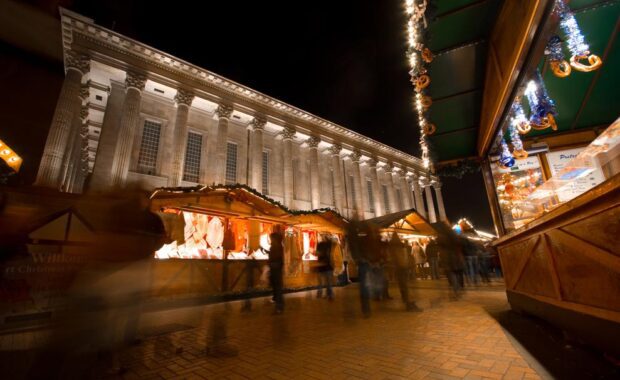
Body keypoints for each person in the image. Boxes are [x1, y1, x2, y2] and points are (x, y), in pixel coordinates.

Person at [389, 232, 422, 312]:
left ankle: (407, 301)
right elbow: (406, 256)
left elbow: (392, 258)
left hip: (398, 268)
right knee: (407, 285)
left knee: (403, 285)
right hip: (403, 267)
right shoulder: (401, 245)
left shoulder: (391, 246)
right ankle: (409, 304)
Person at [347, 219, 371, 317]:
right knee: (365, 286)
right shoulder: (360, 235)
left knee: (365, 285)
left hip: (364, 261)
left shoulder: (356, 236)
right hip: (364, 262)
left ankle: (366, 308)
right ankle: (366, 308)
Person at [268, 227, 285, 314]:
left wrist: (271, 263)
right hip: (275, 268)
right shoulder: (278, 246)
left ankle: (279, 307)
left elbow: (276, 258)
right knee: (276, 288)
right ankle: (278, 305)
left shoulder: (276, 246)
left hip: (276, 269)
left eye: (271, 238)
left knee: (277, 288)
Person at [316, 235, 334, 300]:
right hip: (325, 265)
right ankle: (329, 295)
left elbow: (319, 253)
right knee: (327, 282)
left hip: (324, 265)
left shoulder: (327, 244)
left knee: (323, 282)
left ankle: (326, 295)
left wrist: (317, 253)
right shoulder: (328, 244)